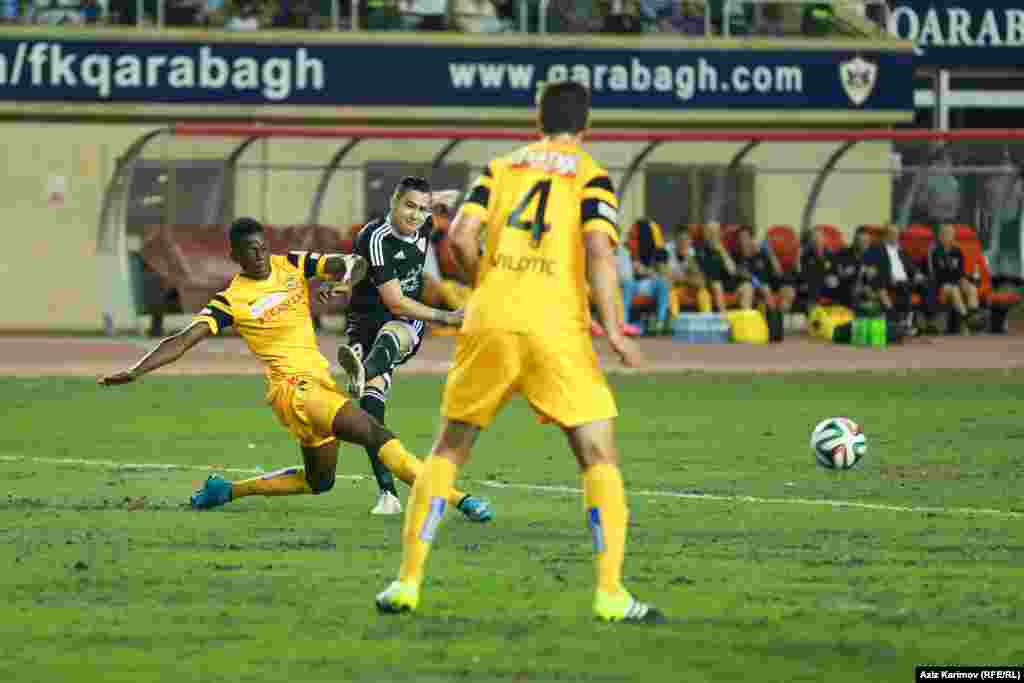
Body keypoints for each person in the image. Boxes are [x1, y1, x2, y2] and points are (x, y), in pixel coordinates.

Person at [373, 81, 663, 624]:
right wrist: (616, 327)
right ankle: (610, 592)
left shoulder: (501, 167)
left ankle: (407, 581)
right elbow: (599, 251)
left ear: (538, 119)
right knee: (598, 456)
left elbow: (459, 238)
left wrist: (494, 285)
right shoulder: (592, 174)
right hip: (556, 324)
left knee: (448, 451)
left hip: (491, 318)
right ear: (587, 123)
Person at [98, 217, 490, 522]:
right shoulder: (231, 299)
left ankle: (227, 490)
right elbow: (182, 340)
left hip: (315, 387)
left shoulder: (290, 265)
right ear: (234, 255)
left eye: (262, 247)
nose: (259, 256)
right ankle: (459, 500)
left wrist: (343, 283)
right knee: (376, 434)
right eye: (250, 251)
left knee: (320, 482)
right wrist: (135, 371)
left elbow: (350, 262)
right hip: (296, 391)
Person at [327, 177, 493, 521]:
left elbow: (445, 201)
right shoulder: (376, 238)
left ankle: (363, 372)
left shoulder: (425, 221)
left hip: (401, 325)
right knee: (371, 412)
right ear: (393, 203)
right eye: (409, 206)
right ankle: (387, 493)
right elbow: (394, 300)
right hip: (367, 322)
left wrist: (447, 197)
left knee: (392, 333)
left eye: (422, 208)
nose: (416, 215)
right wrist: (448, 317)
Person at [928, 224, 986, 334]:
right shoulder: (935, 251)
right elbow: (936, 274)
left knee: (971, 288)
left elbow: (960, 271)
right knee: (954, 289)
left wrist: (963, 280)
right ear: (940, 236)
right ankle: (968, 320)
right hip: (941, 284)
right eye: (945, 234)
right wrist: (956, 279)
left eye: (950, 235)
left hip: (955, 281)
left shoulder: (957, 251)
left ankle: (973, 317)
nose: (948, 237)